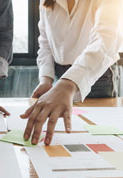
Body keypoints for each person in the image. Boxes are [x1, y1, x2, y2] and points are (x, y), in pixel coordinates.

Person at [21, 0, 123, 145]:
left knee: (99, 136)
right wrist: (46, 79)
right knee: (65, 138)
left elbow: (106, 40)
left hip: (97, 74)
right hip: (60, 77)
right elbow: (45, 43)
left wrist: (69, 82)